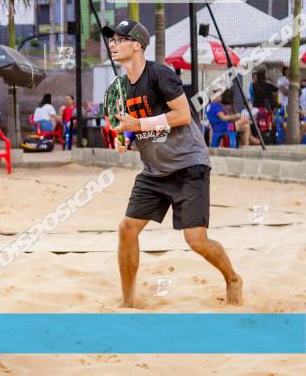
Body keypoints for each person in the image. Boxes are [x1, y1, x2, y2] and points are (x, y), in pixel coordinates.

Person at [102, 19, 242, 307]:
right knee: (127, 229)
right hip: (154, 172)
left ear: (137, 45)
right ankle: (128, 301)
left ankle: (232, 278)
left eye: (119, 39)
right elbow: (137, 127)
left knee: (196, 240)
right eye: (111, 39)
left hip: (188, 166)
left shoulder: (160, 74)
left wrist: (138, 124)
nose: (112, 44)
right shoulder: (123, 87)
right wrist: (125, 139)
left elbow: (181, 116)